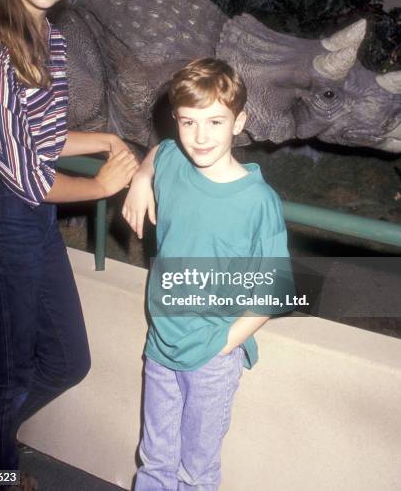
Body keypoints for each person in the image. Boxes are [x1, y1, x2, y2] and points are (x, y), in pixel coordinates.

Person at [0, 0, 138, 489]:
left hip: (33, 220)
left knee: (67, 361)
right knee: (6, 377)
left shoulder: (50, 39)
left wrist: (107, 138)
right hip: (0, 216)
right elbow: (23, 171)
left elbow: (44, 136)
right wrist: (101, 186)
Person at [122, 57, 295, 490]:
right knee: (155, 460)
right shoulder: (175, 161)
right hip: (162, 343)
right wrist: (141, 177)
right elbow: (160, 151)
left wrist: (223, 345)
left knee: (196, 472)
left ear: (240, 123)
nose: (200, 137)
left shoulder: (257, 201)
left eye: (215, 122)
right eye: (188, 122)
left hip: (212, 358)